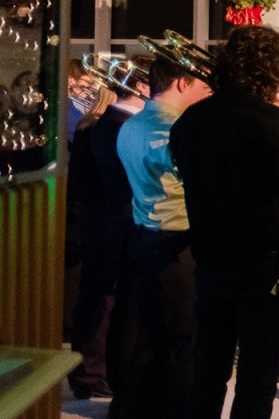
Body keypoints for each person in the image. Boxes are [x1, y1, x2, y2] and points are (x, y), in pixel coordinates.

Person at [170, 25, 279, 419]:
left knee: (208, 366)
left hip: (210, 258)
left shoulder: (190, 120)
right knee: (257, 373)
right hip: (264, 265)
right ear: (275, 72)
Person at [112, 54, 211, 417]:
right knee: (183, 340)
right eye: (205, 87)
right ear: (183, 83)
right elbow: (206, 186)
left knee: (149, 334)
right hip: (176, 243)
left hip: (144, 235)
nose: (208, 94)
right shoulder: (175, 131)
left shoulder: (133, 123)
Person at [66, 58, 150, 400]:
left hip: (96, 221)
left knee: (98, 298)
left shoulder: (97, 121)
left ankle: (89, 372)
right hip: (114, 223)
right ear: (142, 87)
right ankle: (94, 373)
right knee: (107, 301)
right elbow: (123, 187)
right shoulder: (119, 126)